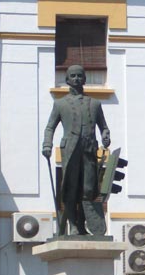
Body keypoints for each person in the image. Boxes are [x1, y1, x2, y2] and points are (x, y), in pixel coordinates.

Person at [42, 65, 111, 236]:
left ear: (85, 79)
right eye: (72, 76)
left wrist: (105, 136)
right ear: (67, 80)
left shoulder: (94, 104)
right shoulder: (60, 104)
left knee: (87, 189)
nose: (77, 79)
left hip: (88, 150)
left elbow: (103, 126)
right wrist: (47, 145)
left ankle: (82, 224)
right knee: (71, 188)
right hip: (70, 150)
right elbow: (50, 127)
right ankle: (73, 226)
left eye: (80, 76)